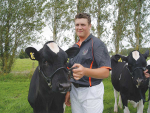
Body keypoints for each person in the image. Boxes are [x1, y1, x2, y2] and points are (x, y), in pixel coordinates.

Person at [65, 13, 111, 113]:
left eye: (83, 25)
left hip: (91, 93)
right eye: (77, 25)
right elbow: (69, 70)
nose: (79, 27)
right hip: (74, 91)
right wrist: (69, 89)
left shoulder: (97, 44)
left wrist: (84, 71)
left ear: (89, 26)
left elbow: (106, 72)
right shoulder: (75, 46)